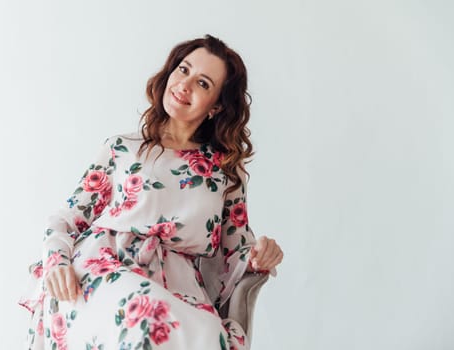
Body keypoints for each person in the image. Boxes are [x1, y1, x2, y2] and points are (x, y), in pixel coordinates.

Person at [19, 34, 284, 350]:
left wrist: (259, 256)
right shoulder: (122, 148)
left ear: (217, 105)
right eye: (183, 70)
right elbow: (68, 217)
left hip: (175, 287)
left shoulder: (224, 169)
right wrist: (57, 262)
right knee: (150, 316)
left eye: (203, 83)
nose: (185, 85)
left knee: (207, 333)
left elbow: (235, 248)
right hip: (104, 271)